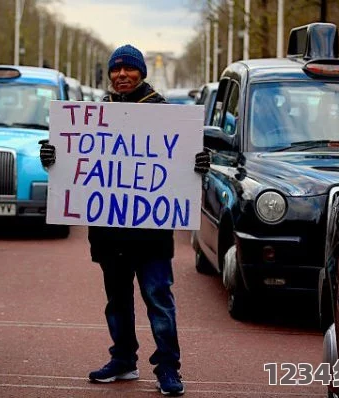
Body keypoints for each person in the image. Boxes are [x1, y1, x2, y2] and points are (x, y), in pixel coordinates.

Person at [39, 44, 210, 397]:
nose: (121, 75)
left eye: (129, 69)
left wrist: (198, 163)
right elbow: (75, 164)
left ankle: (168, 367)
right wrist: (53, 157)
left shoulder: (165, 113)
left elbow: (180, 166)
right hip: (109, 233)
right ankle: (123, 360)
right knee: (117, 300)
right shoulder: (95, 114)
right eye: (116, 70)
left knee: (158, 299)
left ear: (141, 73)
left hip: (151, 234)